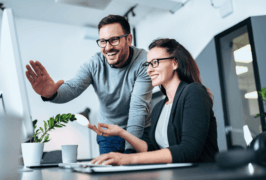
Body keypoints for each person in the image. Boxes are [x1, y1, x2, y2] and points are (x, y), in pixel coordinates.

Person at [25, 15, 153, 154]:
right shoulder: (94, 64)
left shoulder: (144, 62)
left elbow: (138, 109)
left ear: (129, 39)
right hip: (108, 132)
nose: (108, 47)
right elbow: (74, 87)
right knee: (109, 175)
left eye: (114, 40)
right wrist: (52, 94)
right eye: (103, 41)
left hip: (139, 130)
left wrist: (130, 154)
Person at [88, 38, 219, 165]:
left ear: (175, 63)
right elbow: (153, 150)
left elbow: (189, 150)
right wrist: (121, 132)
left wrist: (129, 159)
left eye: (155, 62)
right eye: (148, 64)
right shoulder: (159, 107)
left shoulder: (194, 92)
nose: (149, 70)